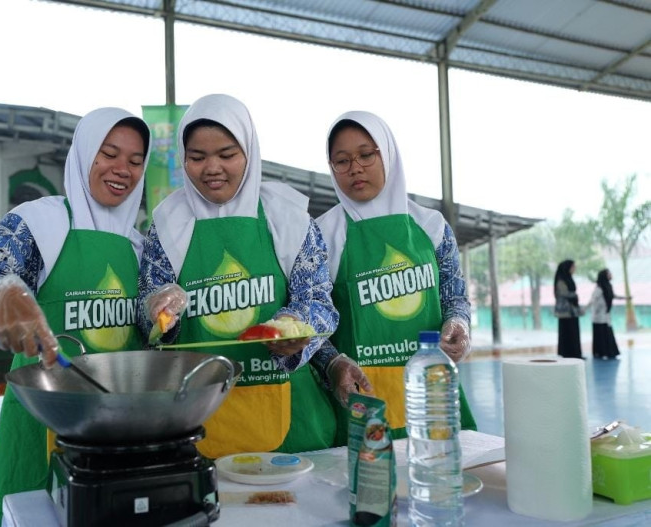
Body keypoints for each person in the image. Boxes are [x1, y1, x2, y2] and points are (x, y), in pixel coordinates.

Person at [0, 107, 150, 527]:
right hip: (42, 420)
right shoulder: (40, 223)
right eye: (108, 153)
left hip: (119, 428)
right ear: (82, 156)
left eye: (135, 161)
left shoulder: (139, 244)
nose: (122, 169)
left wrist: (161, 309)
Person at [138, 93, 339, 459]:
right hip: (197, 419)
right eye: (197, 158)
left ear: (249, 152)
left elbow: (319, 302)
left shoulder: (288, 217)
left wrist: (296, 327)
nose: (212, 168)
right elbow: (150, 321)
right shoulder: (168, 224)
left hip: (291, 416)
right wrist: (158, 310)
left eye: (227, 155)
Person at [314, 111, 476, 441]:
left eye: (365, 155)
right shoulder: (321, 235)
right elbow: (311, 323)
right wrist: (333, 363)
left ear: (387, 154)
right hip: (362, 401)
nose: (355, 168)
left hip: (431, 394)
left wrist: (458, 324)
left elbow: (453, 295)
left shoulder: (431, 226)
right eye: (341, 161)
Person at [588, 268, 624, 359]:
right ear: (604, 276)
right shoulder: (599, 288)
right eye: (609, 273)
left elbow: (613, 295)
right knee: (601, 334)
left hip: (606, 314)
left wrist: (625, 298)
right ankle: (600, 352)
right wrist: (585, 309)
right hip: (598, 316)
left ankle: (609, 352)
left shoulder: (608, 286)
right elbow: (593, 300)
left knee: (607, 333)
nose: (611, 275)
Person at [554, 259, 584, 359]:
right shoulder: (561, 280)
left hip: (572, 311)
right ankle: (567, 354)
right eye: (573, 266)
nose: (574, 268)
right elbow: (564, 294)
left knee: (574, 333)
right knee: (567, 333)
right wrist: (574, 296)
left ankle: (575, 354)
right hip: (565, 312)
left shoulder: (568, 279)